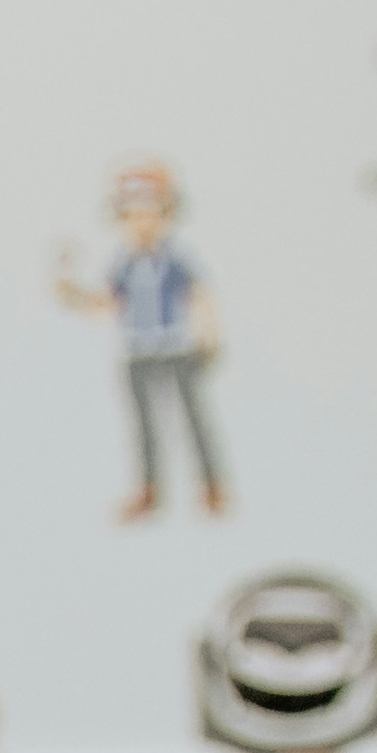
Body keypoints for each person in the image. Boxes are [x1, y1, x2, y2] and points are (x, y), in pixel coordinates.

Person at [56, 160, 231, 519]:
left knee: (192, 420)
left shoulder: (174, 260)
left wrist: (209, 338)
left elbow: (199, 296)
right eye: (133, 216)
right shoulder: (124, 263)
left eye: (150, 214)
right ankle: (149, 490)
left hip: (176, 348)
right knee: (145, 426)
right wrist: (74, 296)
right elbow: (108, 303)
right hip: (138, 352)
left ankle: (211, 485)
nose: (142, 224)